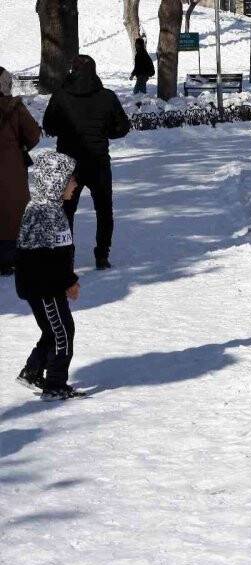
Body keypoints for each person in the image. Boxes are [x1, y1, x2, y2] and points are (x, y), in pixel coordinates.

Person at [42, 55, 130, 270]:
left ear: (73, 70)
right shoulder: (106, 97)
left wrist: (67, 130)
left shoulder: (61, 96)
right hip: (98, 160)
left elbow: (49, 126)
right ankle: (102, 255)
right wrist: (104, 131)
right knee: (103, 209)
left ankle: (66, 255)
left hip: (68, 162)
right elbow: (122, 127)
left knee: (66, 211)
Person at [14, 151, 85, 401]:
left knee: (52, 331)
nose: (76, 184)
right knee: (63, 331)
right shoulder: (45, 212)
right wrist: (69, 282)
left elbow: (57, 251)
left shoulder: (50, 208)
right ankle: (55, 384)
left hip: (46, 284)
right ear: (56, 181)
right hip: (46, 287)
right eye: (71, 179)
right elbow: (46, 258)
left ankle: (32, 371)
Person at [0, 66, 42, 276]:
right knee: (12, 211)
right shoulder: (15, 108)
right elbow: (34, 134)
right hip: (11, 169)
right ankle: (9, 259)